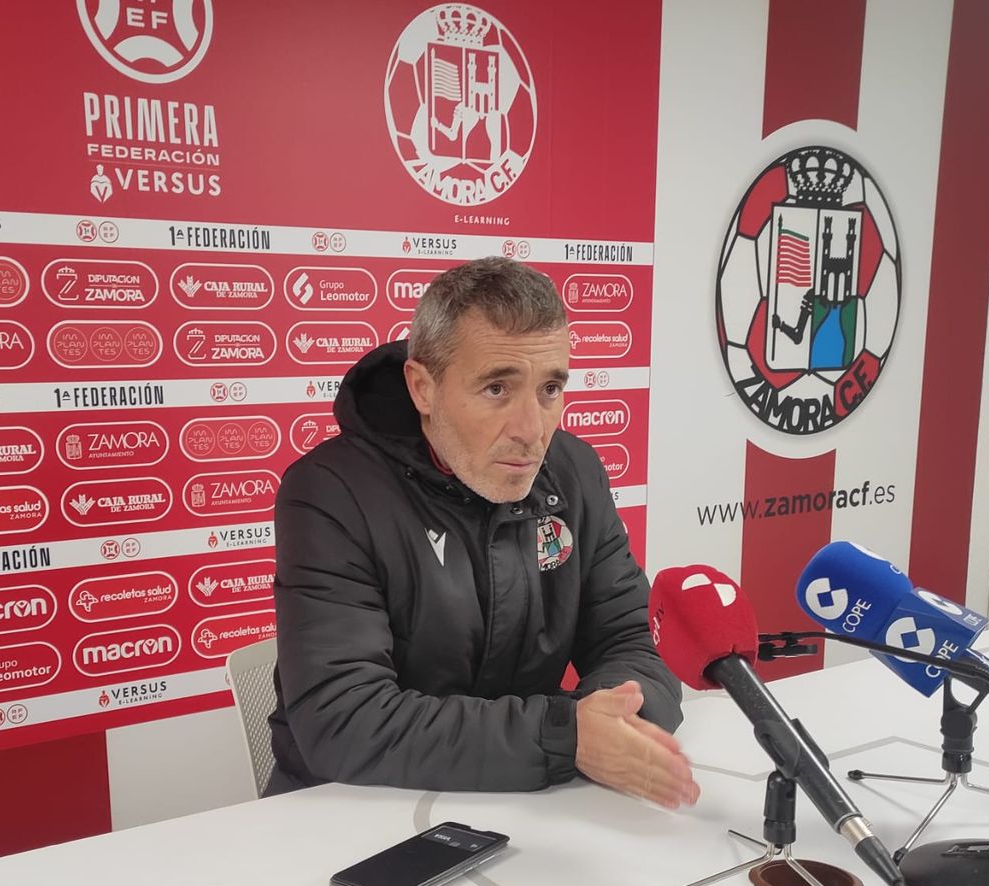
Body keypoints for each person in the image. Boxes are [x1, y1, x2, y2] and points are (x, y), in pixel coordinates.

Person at [266, 257, 698, 808]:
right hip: (349, 809)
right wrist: (565, 736)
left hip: (525, 796)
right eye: (497, 388)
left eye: (550, 388)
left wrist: (614, 722)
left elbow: (634, 640)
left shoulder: (576, 471)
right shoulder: (330, 491)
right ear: (423, 388)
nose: (532, 430)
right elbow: (343, 718)